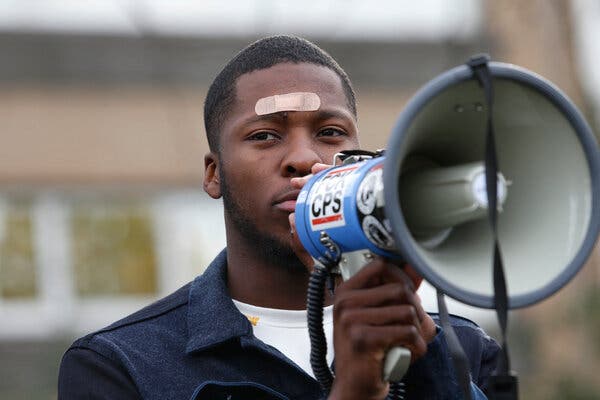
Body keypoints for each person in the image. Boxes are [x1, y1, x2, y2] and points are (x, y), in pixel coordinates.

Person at [58, 35, 499, 399]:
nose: (305, 159)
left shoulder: (464, 350)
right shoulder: (121, 366)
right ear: (214, 175)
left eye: (329, 133)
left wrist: (430, 361)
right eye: (265, 136)